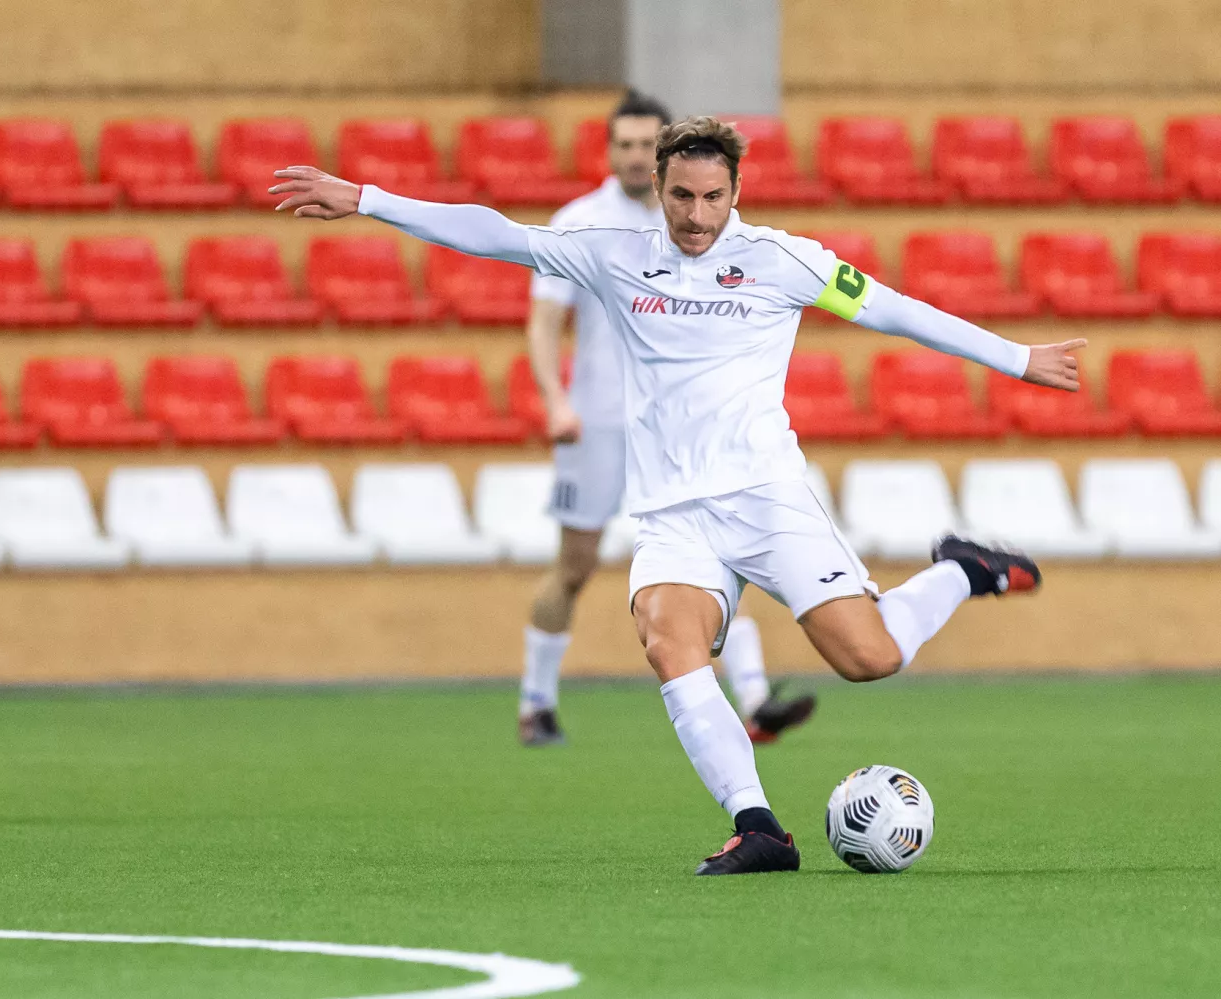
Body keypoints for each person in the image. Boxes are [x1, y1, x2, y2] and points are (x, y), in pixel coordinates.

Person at [270, 114, 1080, 875]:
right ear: (657, 187)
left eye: (713, 197)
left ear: (737, 192)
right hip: (672, 513)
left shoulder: (783, 261)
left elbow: (894, 310)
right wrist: (368, 200)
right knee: (668, 639)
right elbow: (497, 233)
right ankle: (759, 826)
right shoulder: (613, 253)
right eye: (683, 196)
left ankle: (963, 569)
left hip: (765, 498)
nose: (698, 215)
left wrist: (1018, 358)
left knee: (869, 658)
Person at [518, 91, 812, 748]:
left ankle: (757, 698)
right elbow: (543, 322)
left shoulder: (698, 222)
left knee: (714, 555)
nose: (632, 156)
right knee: (574, 567)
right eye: (622, 144)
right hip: (598, 421)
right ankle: (536, 700)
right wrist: (556, 401)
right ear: (608, 150)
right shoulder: (580, 223)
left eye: (643, 145)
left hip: (679, 426)